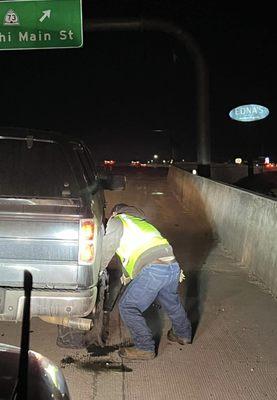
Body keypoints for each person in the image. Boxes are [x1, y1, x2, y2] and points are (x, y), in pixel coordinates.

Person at [101, 203, 192, 361]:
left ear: (115, 212)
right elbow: (136, 251)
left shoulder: (118, 221)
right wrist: (128, 275)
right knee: (171, 303)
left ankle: (145, 348)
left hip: (154, 269)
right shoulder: (141, 223)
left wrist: (96, 270)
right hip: (172, 266)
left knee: (128, 306)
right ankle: (183, 334)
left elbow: (107, 249)